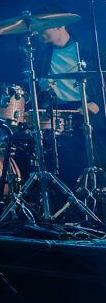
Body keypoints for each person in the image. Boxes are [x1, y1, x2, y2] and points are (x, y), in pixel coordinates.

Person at [37, 22, 105, 191]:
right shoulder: (40, 54)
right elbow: (29, 86)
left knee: (96, 155)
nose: (38, 32)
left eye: (43, 27)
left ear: (60, 25)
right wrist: (41, 85)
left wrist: (98, 103)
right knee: (58, 158)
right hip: (59, 111)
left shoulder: (90, 48)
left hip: (89, 107)